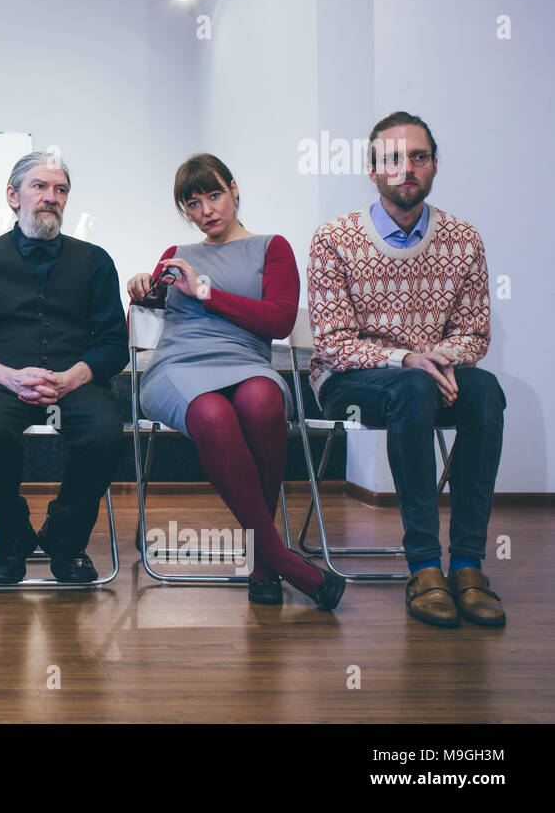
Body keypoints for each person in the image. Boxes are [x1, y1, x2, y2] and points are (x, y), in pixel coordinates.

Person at [308, 111, 505, 627]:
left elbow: (474, 333)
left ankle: (467, 564)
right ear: (372, 171)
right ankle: (423, 565)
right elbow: (332, 342)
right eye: (392, 159)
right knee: (413, 390)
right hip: (349, 379)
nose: (406, 168)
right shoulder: (334, 238)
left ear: (435, 166)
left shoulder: (464, 240)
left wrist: (440, 357)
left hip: (433, 373)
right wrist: (406, 358)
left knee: (486, 393)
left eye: (418, 156)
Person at [128, 154, 344, 610]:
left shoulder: (273, 247)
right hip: (179, 366)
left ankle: (264, 560)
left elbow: (281, 321)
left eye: (214, 195)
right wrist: (143, 286)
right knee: (212, 413)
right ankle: (278, 560)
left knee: (264, 403)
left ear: (234, 190)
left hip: (246, 361)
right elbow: (152, 308)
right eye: (193, 203)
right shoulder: (177, 255)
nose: (206, 210)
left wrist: (206, 293)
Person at [0, 151, 126, 584]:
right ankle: (11, 539)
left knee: (104, 433)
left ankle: (65, 538)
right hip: (4, 383)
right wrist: (8, 375)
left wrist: (71, 377)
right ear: (13, 196)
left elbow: (114, 343)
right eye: (40, 187)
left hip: (75, 383)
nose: (51, 197)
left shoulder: (96, 261)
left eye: (60, 190)